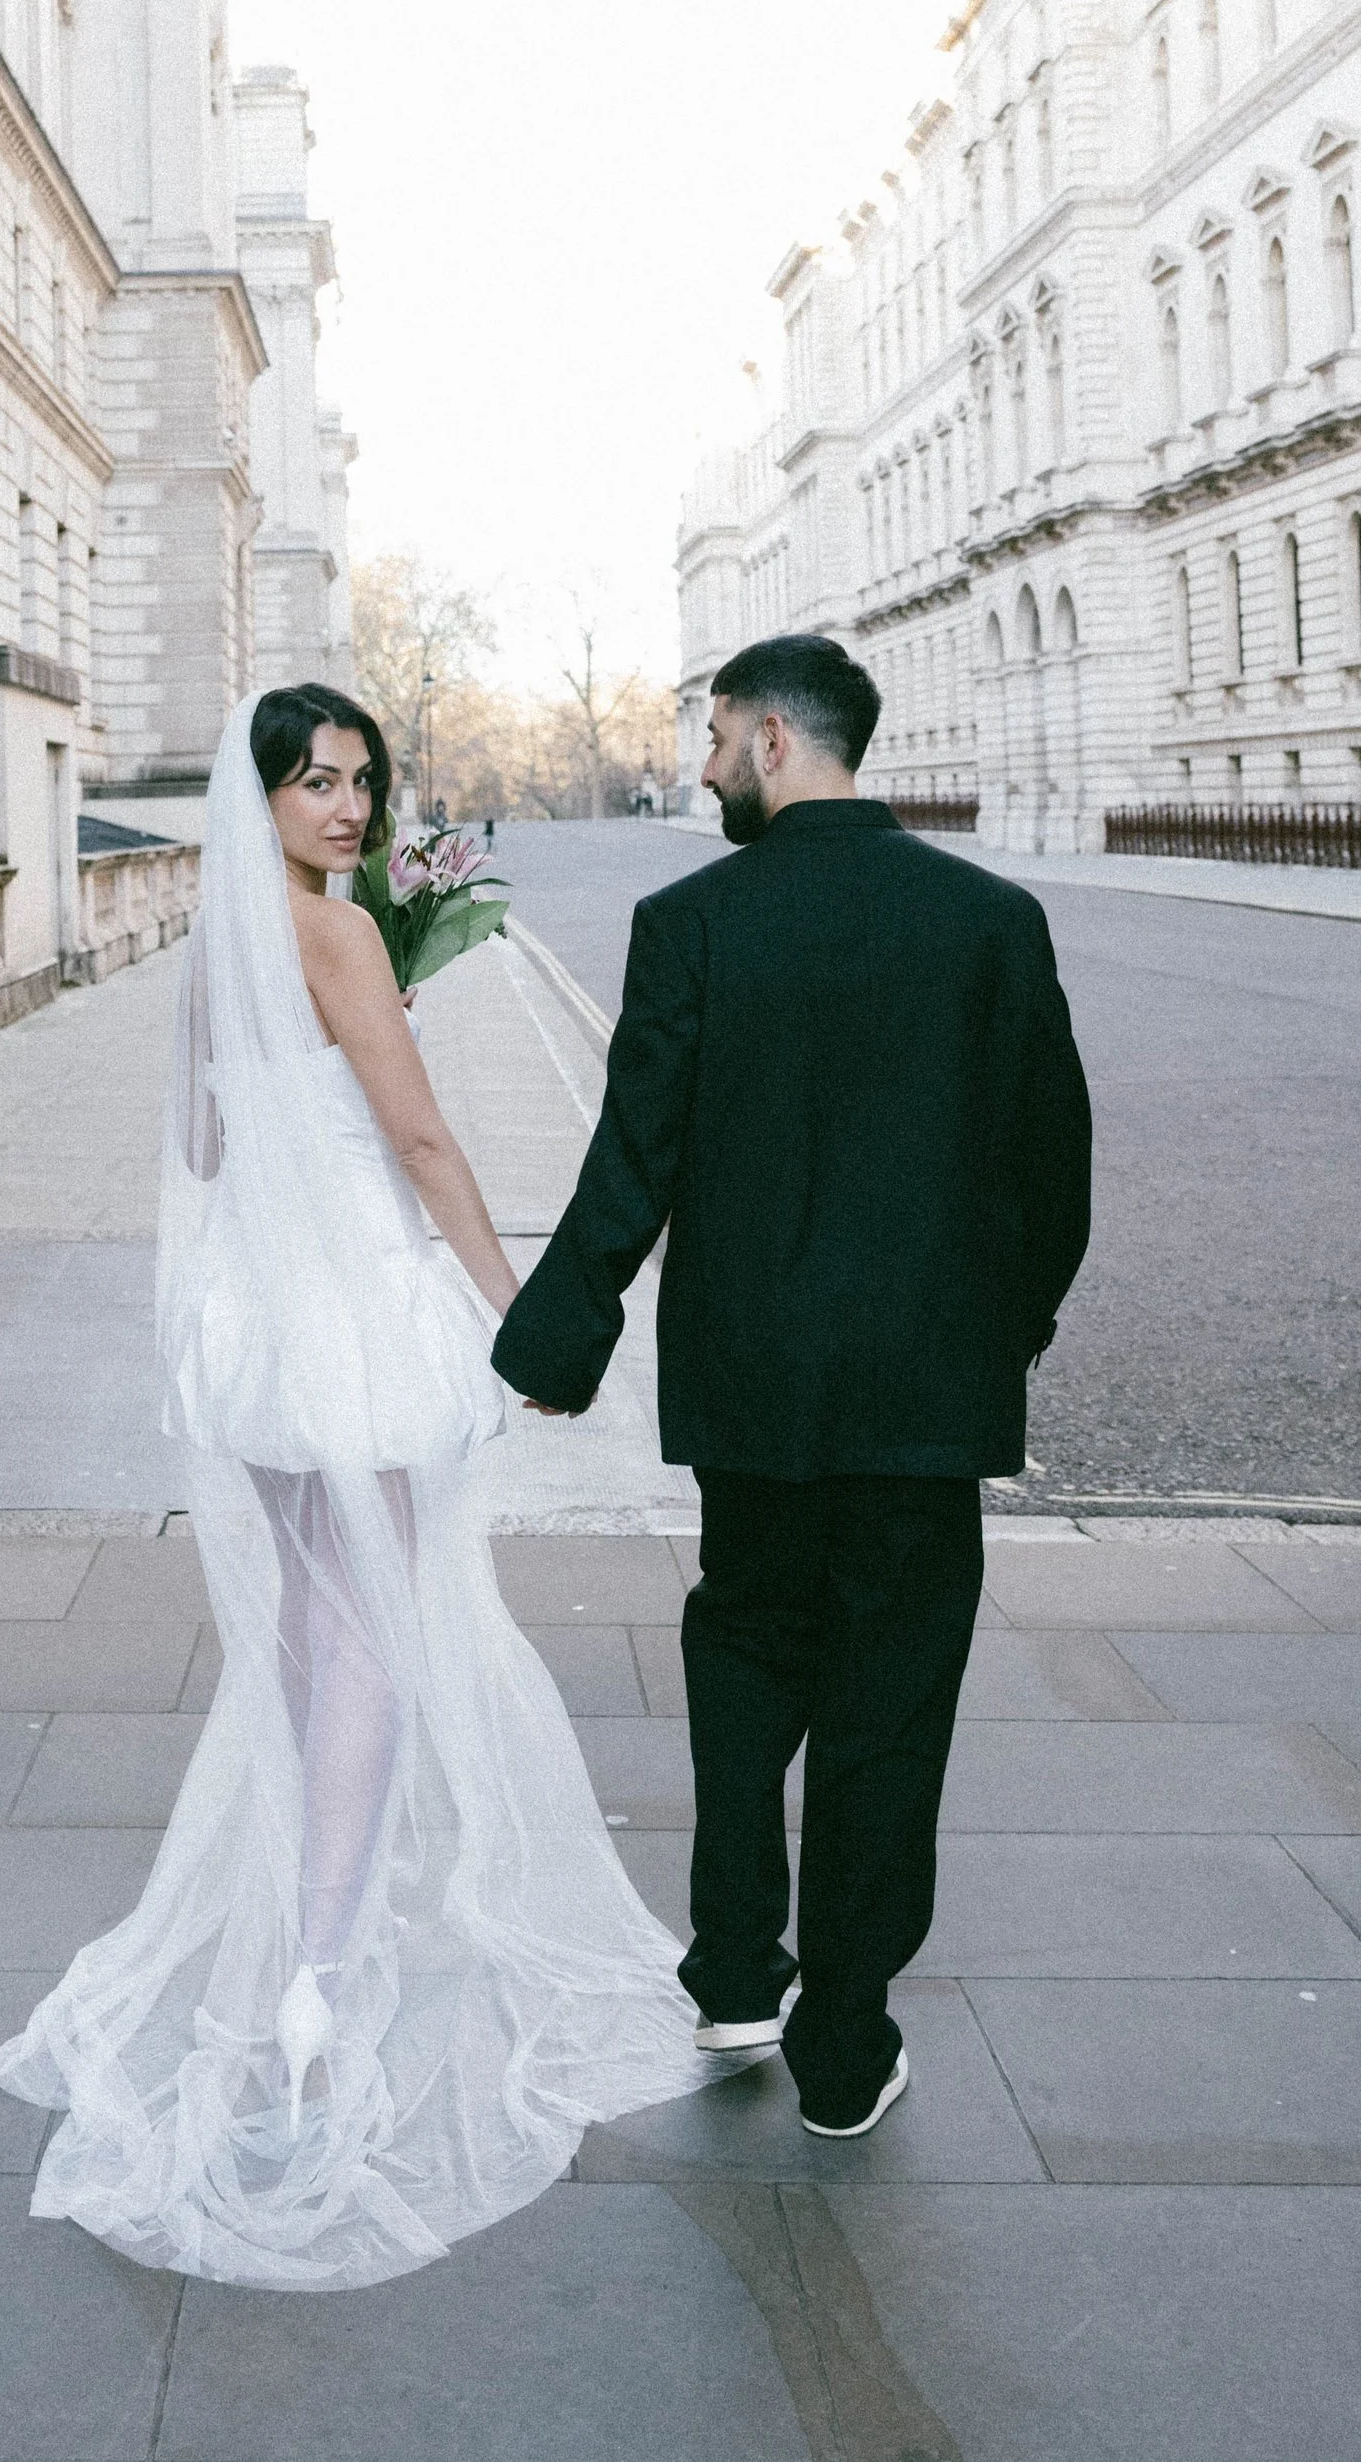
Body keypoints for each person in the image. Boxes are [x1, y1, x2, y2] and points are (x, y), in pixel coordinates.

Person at [0, 685, 702, 2286]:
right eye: (317, 782)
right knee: (377, 1624)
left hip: (262, 1322)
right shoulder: (344, 940)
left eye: (361, 783)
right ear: (263, 798)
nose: (347, 810)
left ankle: (313, 1917)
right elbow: (427, 1142)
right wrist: (516, 1307)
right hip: (361, 1316)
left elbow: (204, 1136)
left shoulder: (216, 947)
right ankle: (317, 1962)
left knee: (319, 1625)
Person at [493, 630, 1091, 2141]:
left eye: (709, 738)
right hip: (920, 1408)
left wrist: (559, 1340)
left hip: (753, 1392)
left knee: (748, 1664)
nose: (698, 768)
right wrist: (989, 1335)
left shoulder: (690, 922)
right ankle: (843, 2041)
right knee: (893, 1703)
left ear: (771, 736)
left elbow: (635, 1157)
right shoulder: (992, 919)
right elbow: (1054, 1172)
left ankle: (736, 1970)